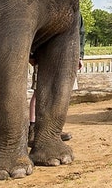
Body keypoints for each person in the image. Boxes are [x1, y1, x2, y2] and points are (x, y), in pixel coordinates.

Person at [28, 14, 85, 146]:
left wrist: (79, 55)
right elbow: (33, 30)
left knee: (60, 93)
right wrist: (31, 53)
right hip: (43, 55)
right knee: (39, 93)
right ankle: (32, 129)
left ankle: (52, 130)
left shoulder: (75, 10)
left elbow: (80, 33)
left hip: (66, 56)